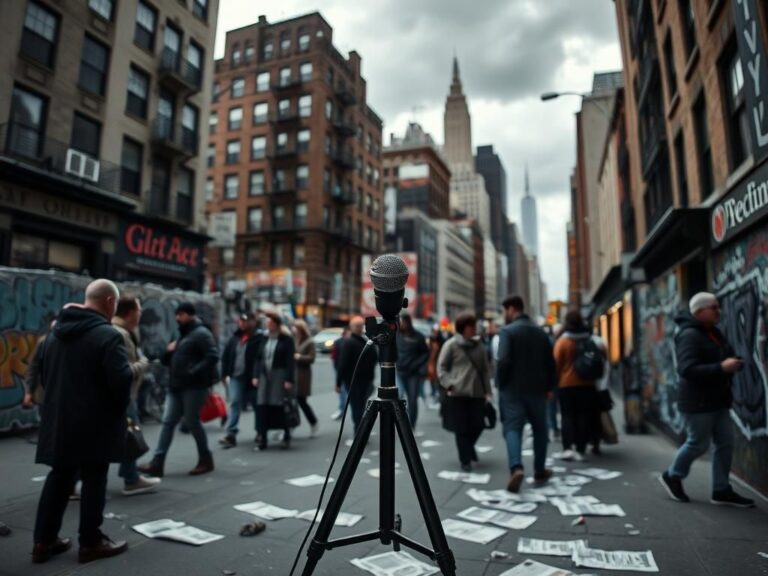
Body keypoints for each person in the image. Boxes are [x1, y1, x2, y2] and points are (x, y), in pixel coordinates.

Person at [32, 279, 133, 564]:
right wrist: (117, 410)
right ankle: (90, 542)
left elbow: (44, 375)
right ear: (110, 303)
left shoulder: (54, 333)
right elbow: (120, 381)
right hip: (94, 422)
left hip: (59, 420)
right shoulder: (108, 335)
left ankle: (43, 541)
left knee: (59, 477)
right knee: (94, 479)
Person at [659, 293, 755, 508]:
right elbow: (686, 369)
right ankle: (673, 475)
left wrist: (731, 362)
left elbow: (722, 355)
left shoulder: (712, 333)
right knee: (698, 443)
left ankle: (721, 489)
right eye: (714, 307)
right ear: (699, 311)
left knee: (725, 444)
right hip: (698, 402)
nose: (718, 310)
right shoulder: (690, 335)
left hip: (718, 399)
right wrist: (721, 367)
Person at [139, 302, 219, 477]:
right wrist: (168, 352)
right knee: (168, 422)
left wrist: (193, 371)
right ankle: (157, 462)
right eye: (177, 314)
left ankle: (206, 459)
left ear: (190, 315)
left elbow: (212, 356)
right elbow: (168, 359)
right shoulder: (183, 334)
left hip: (194, 387)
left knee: (192, 421)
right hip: (176, 385)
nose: (177, 318)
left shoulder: (201, 333)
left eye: (181, 314)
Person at [496, 296, 555, 492]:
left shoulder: (507, 332)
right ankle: (539, 470)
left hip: (512, 389)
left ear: (512, 309)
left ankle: (516, 468)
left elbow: (503, 360)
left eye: (505, 311)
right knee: (540, 429)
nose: (505, 315)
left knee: (513, 428)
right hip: (538, 389)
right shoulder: (540, 333)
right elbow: (550, 362)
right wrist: (549, 387)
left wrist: (500, 383)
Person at [112, 296, 158, 496]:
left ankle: (130, 476)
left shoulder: (125, 331)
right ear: (130, 313)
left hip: (123, 395)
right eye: (139, 310)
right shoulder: (120, 334)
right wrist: (143, 363)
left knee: (127, 435)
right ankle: (131, 479)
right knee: (129, 434)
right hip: (121, 396)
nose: (140, 314)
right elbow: (123, 370)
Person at [437, 312, 492, 471]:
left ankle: (469, 448)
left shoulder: (479, 345)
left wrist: (487, 390)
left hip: (477, 393)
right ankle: (465, 460)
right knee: (461, 428)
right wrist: (449, 384)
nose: (474, 329)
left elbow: (485, 370)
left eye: (474, 326)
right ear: (463, 328)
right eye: (471, 327)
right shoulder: (451, 344)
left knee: (478, 425)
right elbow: (442, 368)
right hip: (457, 393)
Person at [553, 311, 599, 461]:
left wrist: (554, 382)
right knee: (583, 416)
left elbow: (556, 364)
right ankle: (581, 447)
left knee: (567, 416)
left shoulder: (563, 342)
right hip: (587, 384)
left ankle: (568, 448)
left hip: (566, 385)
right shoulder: (588, 339)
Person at [219, 313, 263, 449]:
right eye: (241, 321)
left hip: (252, 378)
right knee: (235, 402)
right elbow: (226, 356)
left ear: (253, 322)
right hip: (236, 376)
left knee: (257, 405)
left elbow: (261, 359)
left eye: (245, 321)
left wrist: (258, 375)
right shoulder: (235, 338)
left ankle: (261, 431)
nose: (242, 323)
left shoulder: (259, 338)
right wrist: (224, 374)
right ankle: (231, 433)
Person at [253, 313, 295, 450]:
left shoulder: (286, 340)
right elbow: (258, 358)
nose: (267, 325)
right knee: (262, 405)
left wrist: (289, 379)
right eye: (267, 322)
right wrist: (255, 376)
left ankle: (286, 435)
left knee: (280, 406)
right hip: (264, 375)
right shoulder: (263, 339)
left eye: (270, 322)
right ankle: (262, 437)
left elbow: (290, 361)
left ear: (276, 324)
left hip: (279, 375)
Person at [336, 316, 376, 433]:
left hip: (358, 380)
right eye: (357, 326)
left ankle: (359, 431)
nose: (359, 328)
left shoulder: (358, 341)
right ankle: (360, 431)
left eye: (360, 325)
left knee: (358, 406)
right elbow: (342, 364)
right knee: (359, 406)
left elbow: (342, 364)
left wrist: (338, 382)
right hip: (358, 380)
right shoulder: (358, 342)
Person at [395, 313, 429, 427]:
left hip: (413, 373)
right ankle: (400, 422)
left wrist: (416, 364)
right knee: (398, 397)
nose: (402, 324)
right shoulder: (396, 335)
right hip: (399, 371)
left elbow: (425, 353)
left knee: (412, 399)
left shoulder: (418, 336)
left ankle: (411, 424)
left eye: (403, 322)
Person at [23, 316, 56, 409]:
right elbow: (34, 367)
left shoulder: (44, 341)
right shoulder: (44, 342)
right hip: (46, 394)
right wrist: (29, 392)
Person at [293, 320, 319, 437]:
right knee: (292, 401)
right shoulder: (293, 339)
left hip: (303, 375)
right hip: (293, 374)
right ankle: (291, 425)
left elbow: (312, 358)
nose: (294, 330)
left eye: (296, 328)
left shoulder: (309, 341)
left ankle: (313, 422)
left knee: (301, 401)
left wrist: (299, 357)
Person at [330, 327, 350, 420]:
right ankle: (342, 410)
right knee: (343, 391)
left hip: (346, 370)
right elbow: (334, 357)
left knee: (344, 390)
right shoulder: (339, 342)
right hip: (342, 369)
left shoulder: (346, 341)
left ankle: (342, 410)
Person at [425, 325, 444, 410]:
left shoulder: (441, 342)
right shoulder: (429, 341)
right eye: (433, 332)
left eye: (436, 332)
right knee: (432, 381)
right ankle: (434, 395)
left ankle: (438, 396)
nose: (434, 334)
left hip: (439, 364)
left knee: (438, 382)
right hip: (432, 364)